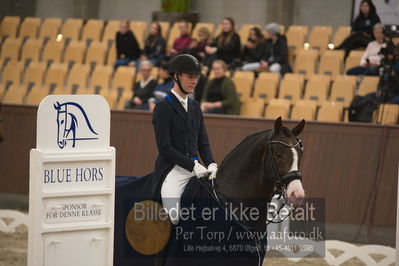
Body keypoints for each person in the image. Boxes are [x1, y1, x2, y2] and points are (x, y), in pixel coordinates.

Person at [153, 54, 217, 225]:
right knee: (173, 217)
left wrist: (211, 163)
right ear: (176, 76)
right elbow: (165, 148)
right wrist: (192, 165)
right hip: (172, 169)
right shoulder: (163, 107)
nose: (194, 81)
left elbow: (203, 142)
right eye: (190, 76)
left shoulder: (196, 107)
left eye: (196, 77)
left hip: (197, 169)